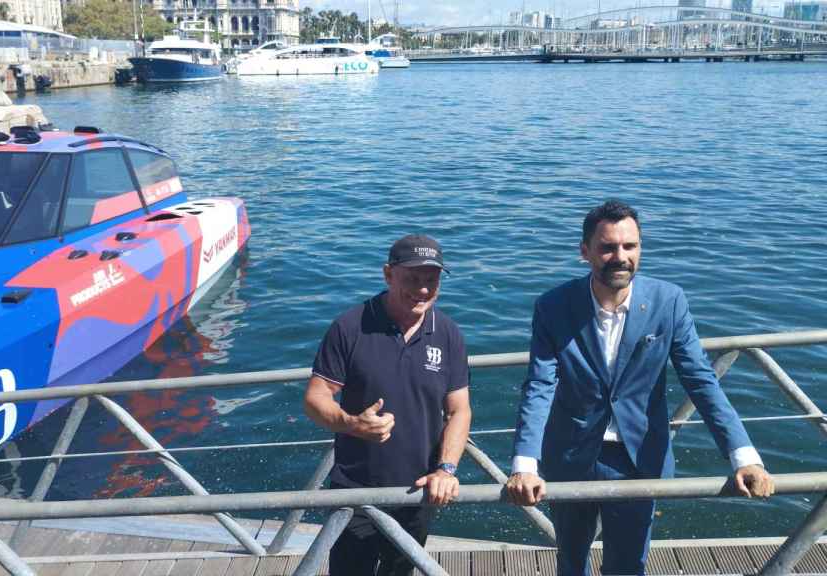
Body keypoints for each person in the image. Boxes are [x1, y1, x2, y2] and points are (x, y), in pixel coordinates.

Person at [506, 200, 775, 576]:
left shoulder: (669, 301)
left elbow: (701, 381)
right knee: (570, 559)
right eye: (607, 247)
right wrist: (524, 465)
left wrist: (744, 457)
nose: (620, 257)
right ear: (584, 252)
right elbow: (539, 384)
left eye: (630, 246)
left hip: (639, 460)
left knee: (630, 564)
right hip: (571, 454)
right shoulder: (553, 306)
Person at [304, 234, 472, 576]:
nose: (422, 289)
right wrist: (350, 423)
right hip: (355, 493)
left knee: (401, 572)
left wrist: (446, 469)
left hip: (419, 491)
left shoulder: (449, 333)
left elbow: (459, 410)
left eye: (431, 279)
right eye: (411, 278)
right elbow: (315, 397)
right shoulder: (350, 326)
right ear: (388, 274)